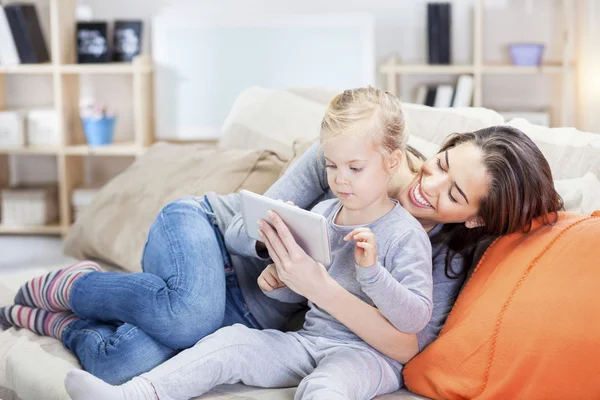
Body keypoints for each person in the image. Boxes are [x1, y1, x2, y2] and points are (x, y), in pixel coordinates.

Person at [0, 92, 563, 387]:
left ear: (473, 220)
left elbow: (404, 345)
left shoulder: (437, 258)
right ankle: (74, 286)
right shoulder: (358, 157)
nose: (429, 186)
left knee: (126, 361)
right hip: (207, 232)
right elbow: (248, 223)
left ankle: (58, 315)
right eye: (440, 163)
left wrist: (315, 283)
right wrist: (278, 250)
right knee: (190, 314)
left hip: (249, 311)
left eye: (455, 194)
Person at [64, 86, 436, 400]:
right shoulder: (324, 211)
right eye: (331, 166)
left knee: (326, 386)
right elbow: (305, 294)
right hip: (310, 339)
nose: (340, 179)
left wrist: (371, 273)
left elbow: (414, 318)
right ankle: (134, 394)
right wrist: (279, 282)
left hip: (365, 355)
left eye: (354, 168)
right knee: (234, 343)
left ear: (393, 162)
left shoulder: (406, 234)